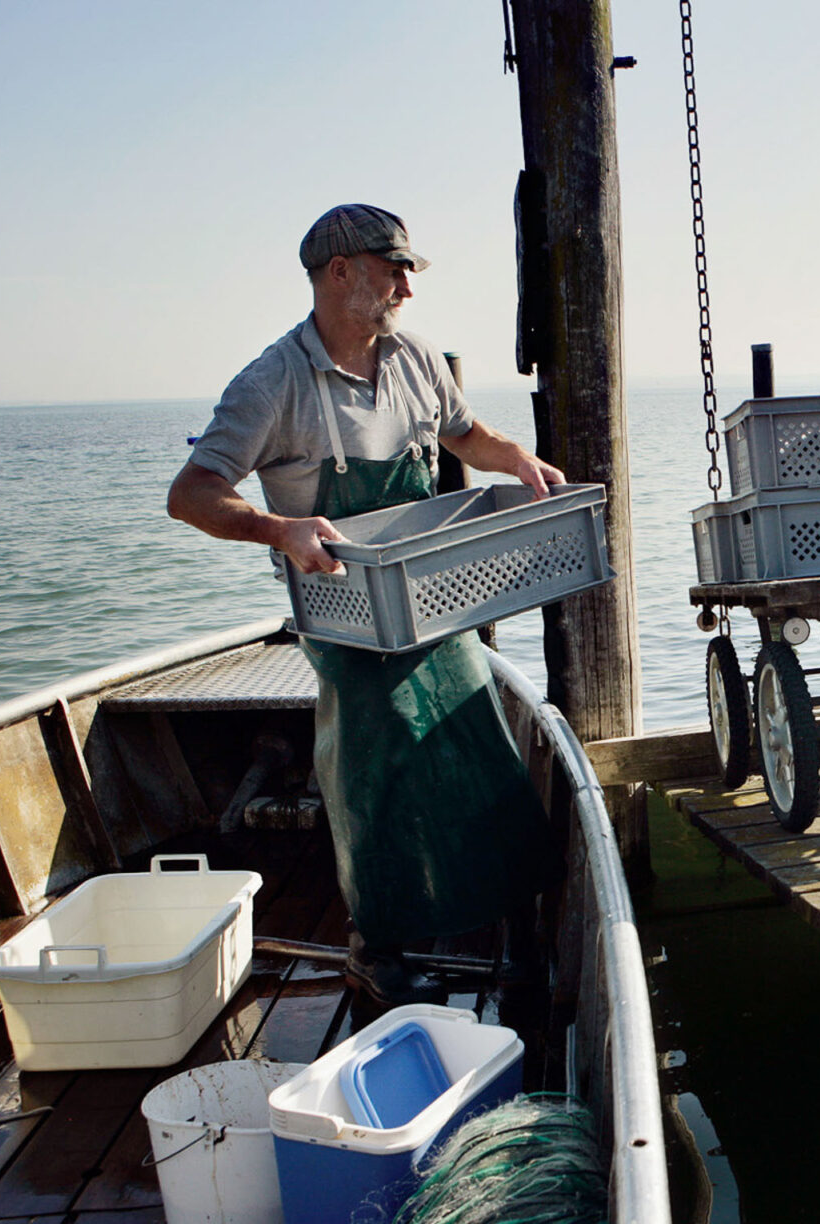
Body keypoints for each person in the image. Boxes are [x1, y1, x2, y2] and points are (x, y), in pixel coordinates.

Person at [169, 204, 563, 1006]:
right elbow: (192, 494)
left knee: (480, 743)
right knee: (373, 767)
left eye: (409, 270)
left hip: (432, 600)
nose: (408, 287)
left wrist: (515, 458)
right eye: (394, 268)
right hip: (343, 617)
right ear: (339, 270)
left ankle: (516, 922)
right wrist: (279, 528)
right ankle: (376, 945)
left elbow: (465, 434)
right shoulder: (272, 381)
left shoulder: (415, 356)